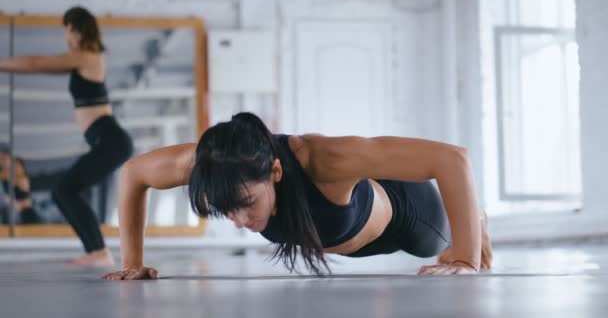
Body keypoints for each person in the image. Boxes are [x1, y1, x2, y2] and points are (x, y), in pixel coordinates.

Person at [103, 112, 492, 280]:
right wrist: (133, 262)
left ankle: (476, 215)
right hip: (353, 229)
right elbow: (133, 174)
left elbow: (452, 157)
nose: (240, 222)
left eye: (246, 204)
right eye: (227, 211)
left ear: (275, 171)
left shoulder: (324, 160)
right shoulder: (211, 166)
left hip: (409, 216)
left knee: (436, 246)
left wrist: (465, 258)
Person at [0, 6, 133, 267]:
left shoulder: (87, 56)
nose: (65, 36)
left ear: (72, 29)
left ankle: (99, 252)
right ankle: (96, 252)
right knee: (64, 191)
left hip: (111, 140)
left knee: (64, 190)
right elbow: (40, 67)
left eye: (65, 30)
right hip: (106, 140)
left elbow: (37, 63)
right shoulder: (84, 58)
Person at [0, 152, 43, 224]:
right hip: (16, 210)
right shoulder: (8, 178)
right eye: (14, 166)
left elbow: (28, 199)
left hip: (26, 209)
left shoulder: (23, 180)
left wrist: (20, 204)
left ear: (23, 168)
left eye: (18, 166)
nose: (16, 169)